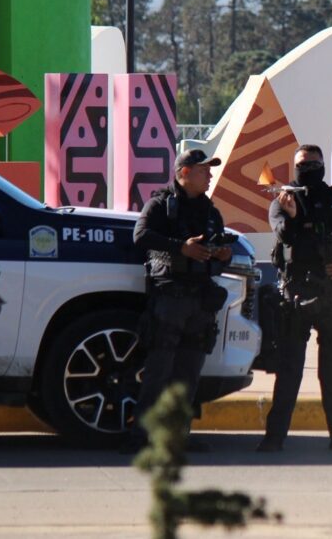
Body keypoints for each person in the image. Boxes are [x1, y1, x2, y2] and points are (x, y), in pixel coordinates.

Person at [257, 144, 332, 453]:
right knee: (290, 370)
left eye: (313, 163)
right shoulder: (283, 201)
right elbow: (285, 236)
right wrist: (292, 216)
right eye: (302, 164)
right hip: (297, 299)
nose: (308, 169)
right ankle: (274, 438)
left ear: (322, 165)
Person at [123, 148, 232, 453]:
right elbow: (140, 236)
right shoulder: (160, 204)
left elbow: (217, 250)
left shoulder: (211, 211)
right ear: (184, 172)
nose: (210, 175)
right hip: (170, 296)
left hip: (201, 299)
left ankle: (177, 436)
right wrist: (179, 248)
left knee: (189, 373)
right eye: (203, 170)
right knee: (158, 370)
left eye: (210, 170)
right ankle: (141, 437)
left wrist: (223, 254)